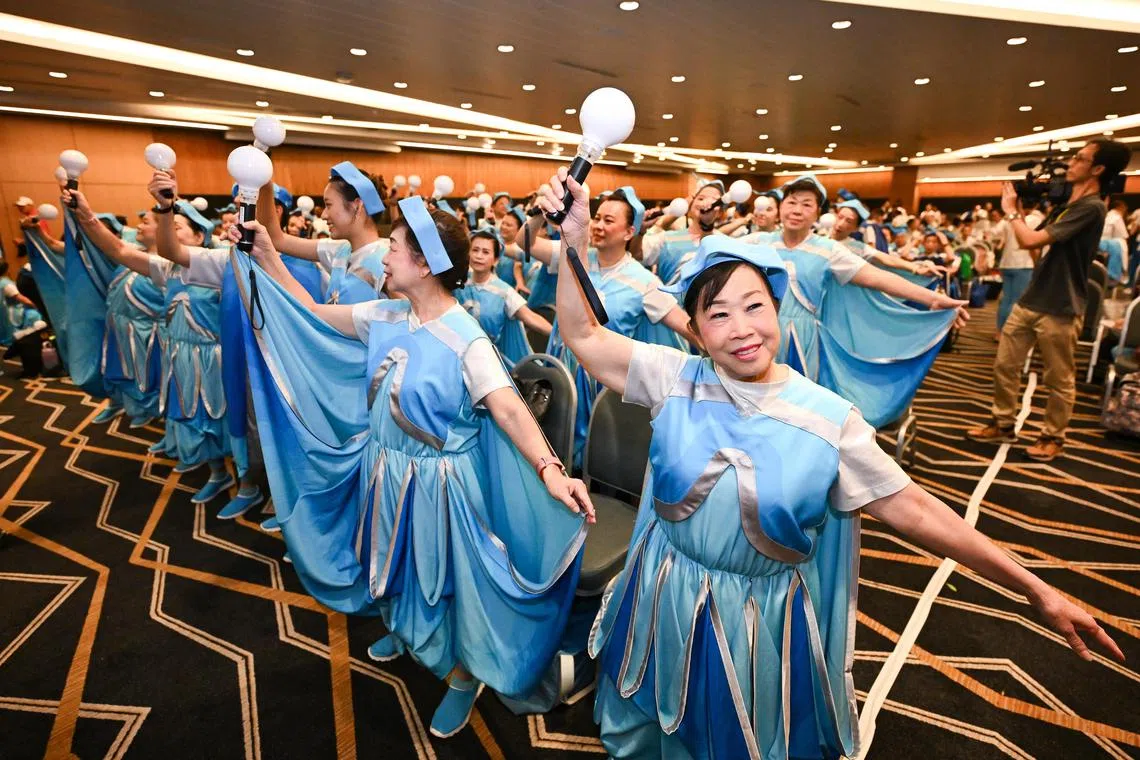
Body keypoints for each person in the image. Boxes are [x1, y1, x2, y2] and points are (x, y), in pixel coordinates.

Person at [536, 168, 1122, 760]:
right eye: (717, 315)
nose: (741, 330)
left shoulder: (826, 419)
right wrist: (574, 240)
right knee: (643, 722)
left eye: (754, 307)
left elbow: (915, 509)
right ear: (697, 329)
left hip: (750, 619)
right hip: (660, 587)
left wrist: (1033, 587)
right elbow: (581, 332)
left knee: (732, 734)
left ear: (777, 306)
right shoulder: (673, 378)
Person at [227, 196, 593, 739]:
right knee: (394, 558)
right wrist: (267, 256)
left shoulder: (465, 335)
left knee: (447, 578)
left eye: (395, 248)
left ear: (424, 264)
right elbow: (309, 313)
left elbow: (511, 408)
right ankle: (405, 628)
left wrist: (550, 470)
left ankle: (465, 675)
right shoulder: (385, 314)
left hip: (440, 483)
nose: (386, 257)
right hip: (386, 472)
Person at [753, 175, 965, 428]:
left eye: (807, 204)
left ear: (818, 213)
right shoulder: (758, 243)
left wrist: (933, 298)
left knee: (796, 408)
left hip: (801, 336)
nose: (797, 210)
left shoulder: (828, 249)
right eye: (792, 202)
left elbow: (877, 277)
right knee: (754, 400)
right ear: (781, 206)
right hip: (759, 332)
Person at [969, 139, 1133, 460]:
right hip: (1032, 299)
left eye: (1080, 158)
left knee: (1058, 379)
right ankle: (1002, 422)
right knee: (1005, 365)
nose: (1071, 162)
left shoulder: (1092, 207)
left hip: (1061, 306)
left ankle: (1053, 436)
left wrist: (1012, 212)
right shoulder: (1068, 205)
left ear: (1097, 169)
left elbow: (1030, 238)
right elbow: (1037, 248)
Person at [526, 186, 696, 463]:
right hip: (560, 373)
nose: (598, 226)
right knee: (552, 446)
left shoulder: (644, 282)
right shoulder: (574, 256)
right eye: (597, 217)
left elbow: (687, 327)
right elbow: (528, 242)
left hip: (603, 385)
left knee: (593, 457)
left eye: (609, 220)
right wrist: (539, 212)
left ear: (630, 232)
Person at [67, 205, 165, 428]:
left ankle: (156, 416)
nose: (139, 225)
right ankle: (120, 404)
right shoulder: (133, 253)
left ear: (163, 229)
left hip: (146, 335)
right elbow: (110, 246)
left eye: (146, 222)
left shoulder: (169, 265)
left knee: (148, 379)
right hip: (118, 328)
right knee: (116, 372)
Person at [255, 161, 388, 305]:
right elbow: (276, 239)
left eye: (328, 205)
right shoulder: (339, 251)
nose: (323, 215)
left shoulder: (387, 261)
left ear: (357, 205)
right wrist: (264, 182)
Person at [454, 228, 552, 364]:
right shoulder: (457, 284)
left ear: (495, 259)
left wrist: (558, 336)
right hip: (458, 357)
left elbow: (530, 317)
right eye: (475, 250)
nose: (479, 256)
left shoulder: (504, 292)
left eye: (485, 252)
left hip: (491, 362)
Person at [830, 200, 944, 277]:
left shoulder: (855, 247)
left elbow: (886, 258)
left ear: (856, 228)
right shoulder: (817, 238)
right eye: (840, 217)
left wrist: (916, 268)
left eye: (849, 221)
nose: (840, 224)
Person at [997, 199, 1044, 335]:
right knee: (1016, 301)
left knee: (1006, 299)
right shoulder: (1035, 220)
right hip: (1024, 264)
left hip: (1006, 263)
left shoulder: (1008, 220)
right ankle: (1009, 332)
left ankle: (999, 332)